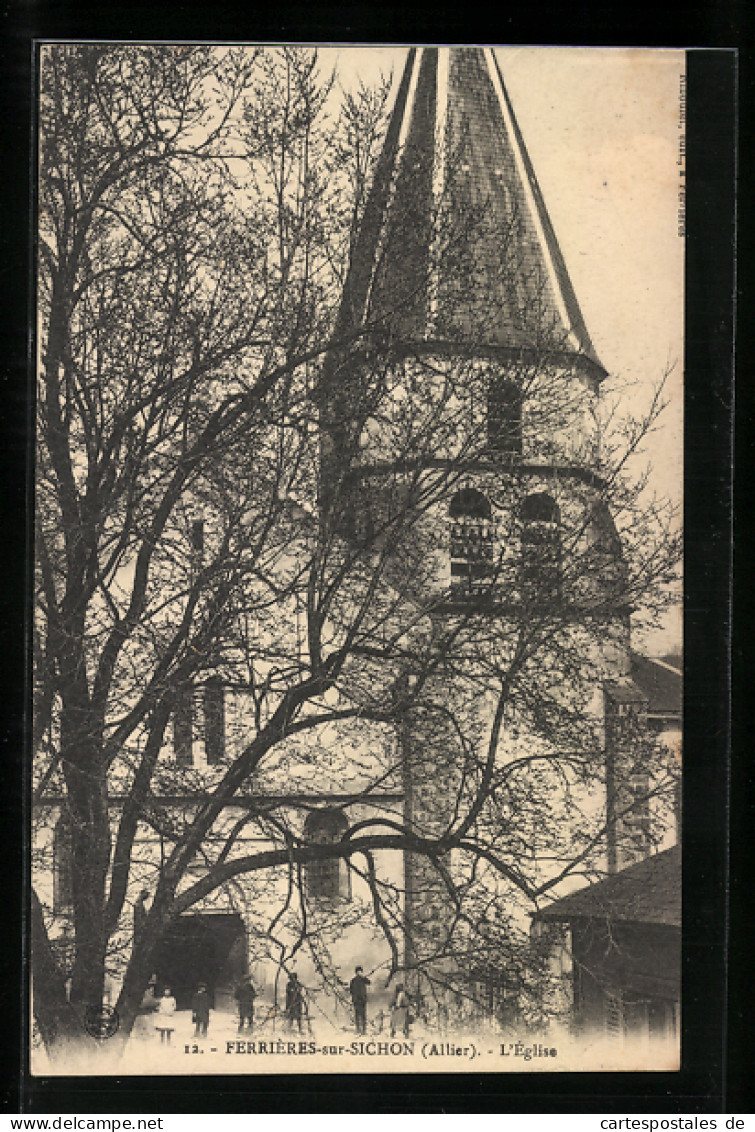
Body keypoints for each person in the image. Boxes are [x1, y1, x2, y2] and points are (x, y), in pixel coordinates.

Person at [349, 966, 371, 1034]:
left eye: (360, 971)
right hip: (356, 1000)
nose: (359, 973)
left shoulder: (363, 979)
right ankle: (358, 1029)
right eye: (358, 971)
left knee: (363, 1016)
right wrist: (354, 996)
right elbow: (351, 990)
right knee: (357, 1016)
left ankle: (364, 1030)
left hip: (362, 1000)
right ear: (356, 972)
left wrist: (363, 977)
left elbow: (369, 982)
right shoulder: (353, 980)